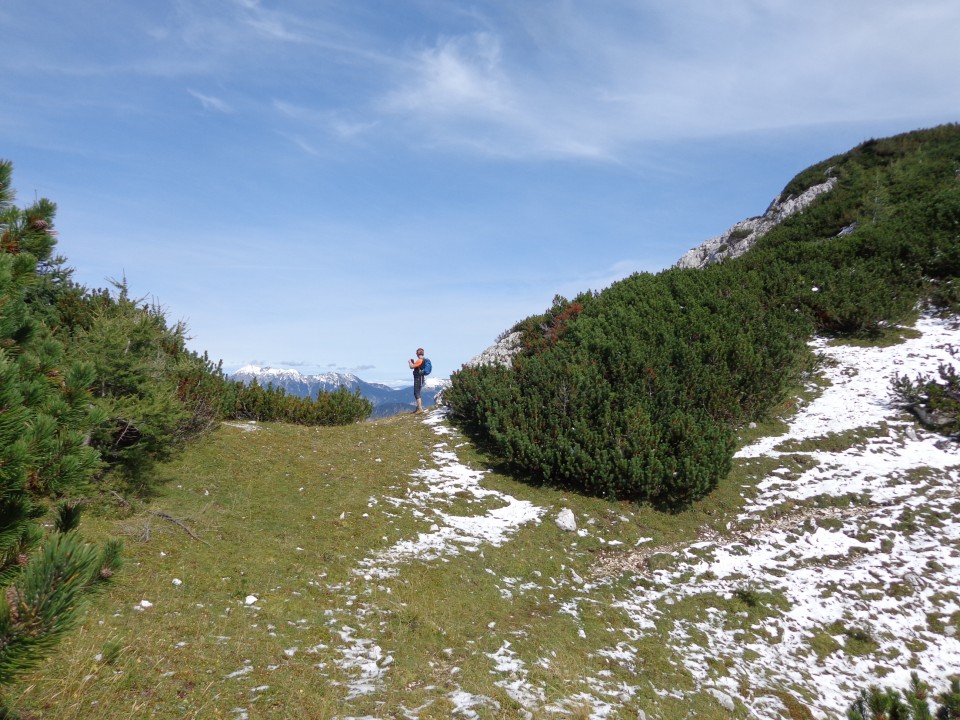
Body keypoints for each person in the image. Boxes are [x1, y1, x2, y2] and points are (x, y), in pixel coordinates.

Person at [408, 348, 426, 413]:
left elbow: (411, 367)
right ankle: (419, 407)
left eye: (416, 353)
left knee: (416, 392)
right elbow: (416, 366)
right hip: (420, 378)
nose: (416, 354)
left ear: (418, 354)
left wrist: (410, 362)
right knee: (417, 392)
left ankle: (420, 408)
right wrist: (413, 363)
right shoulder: (422, 360)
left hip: (418, 378)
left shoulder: (420, 360)